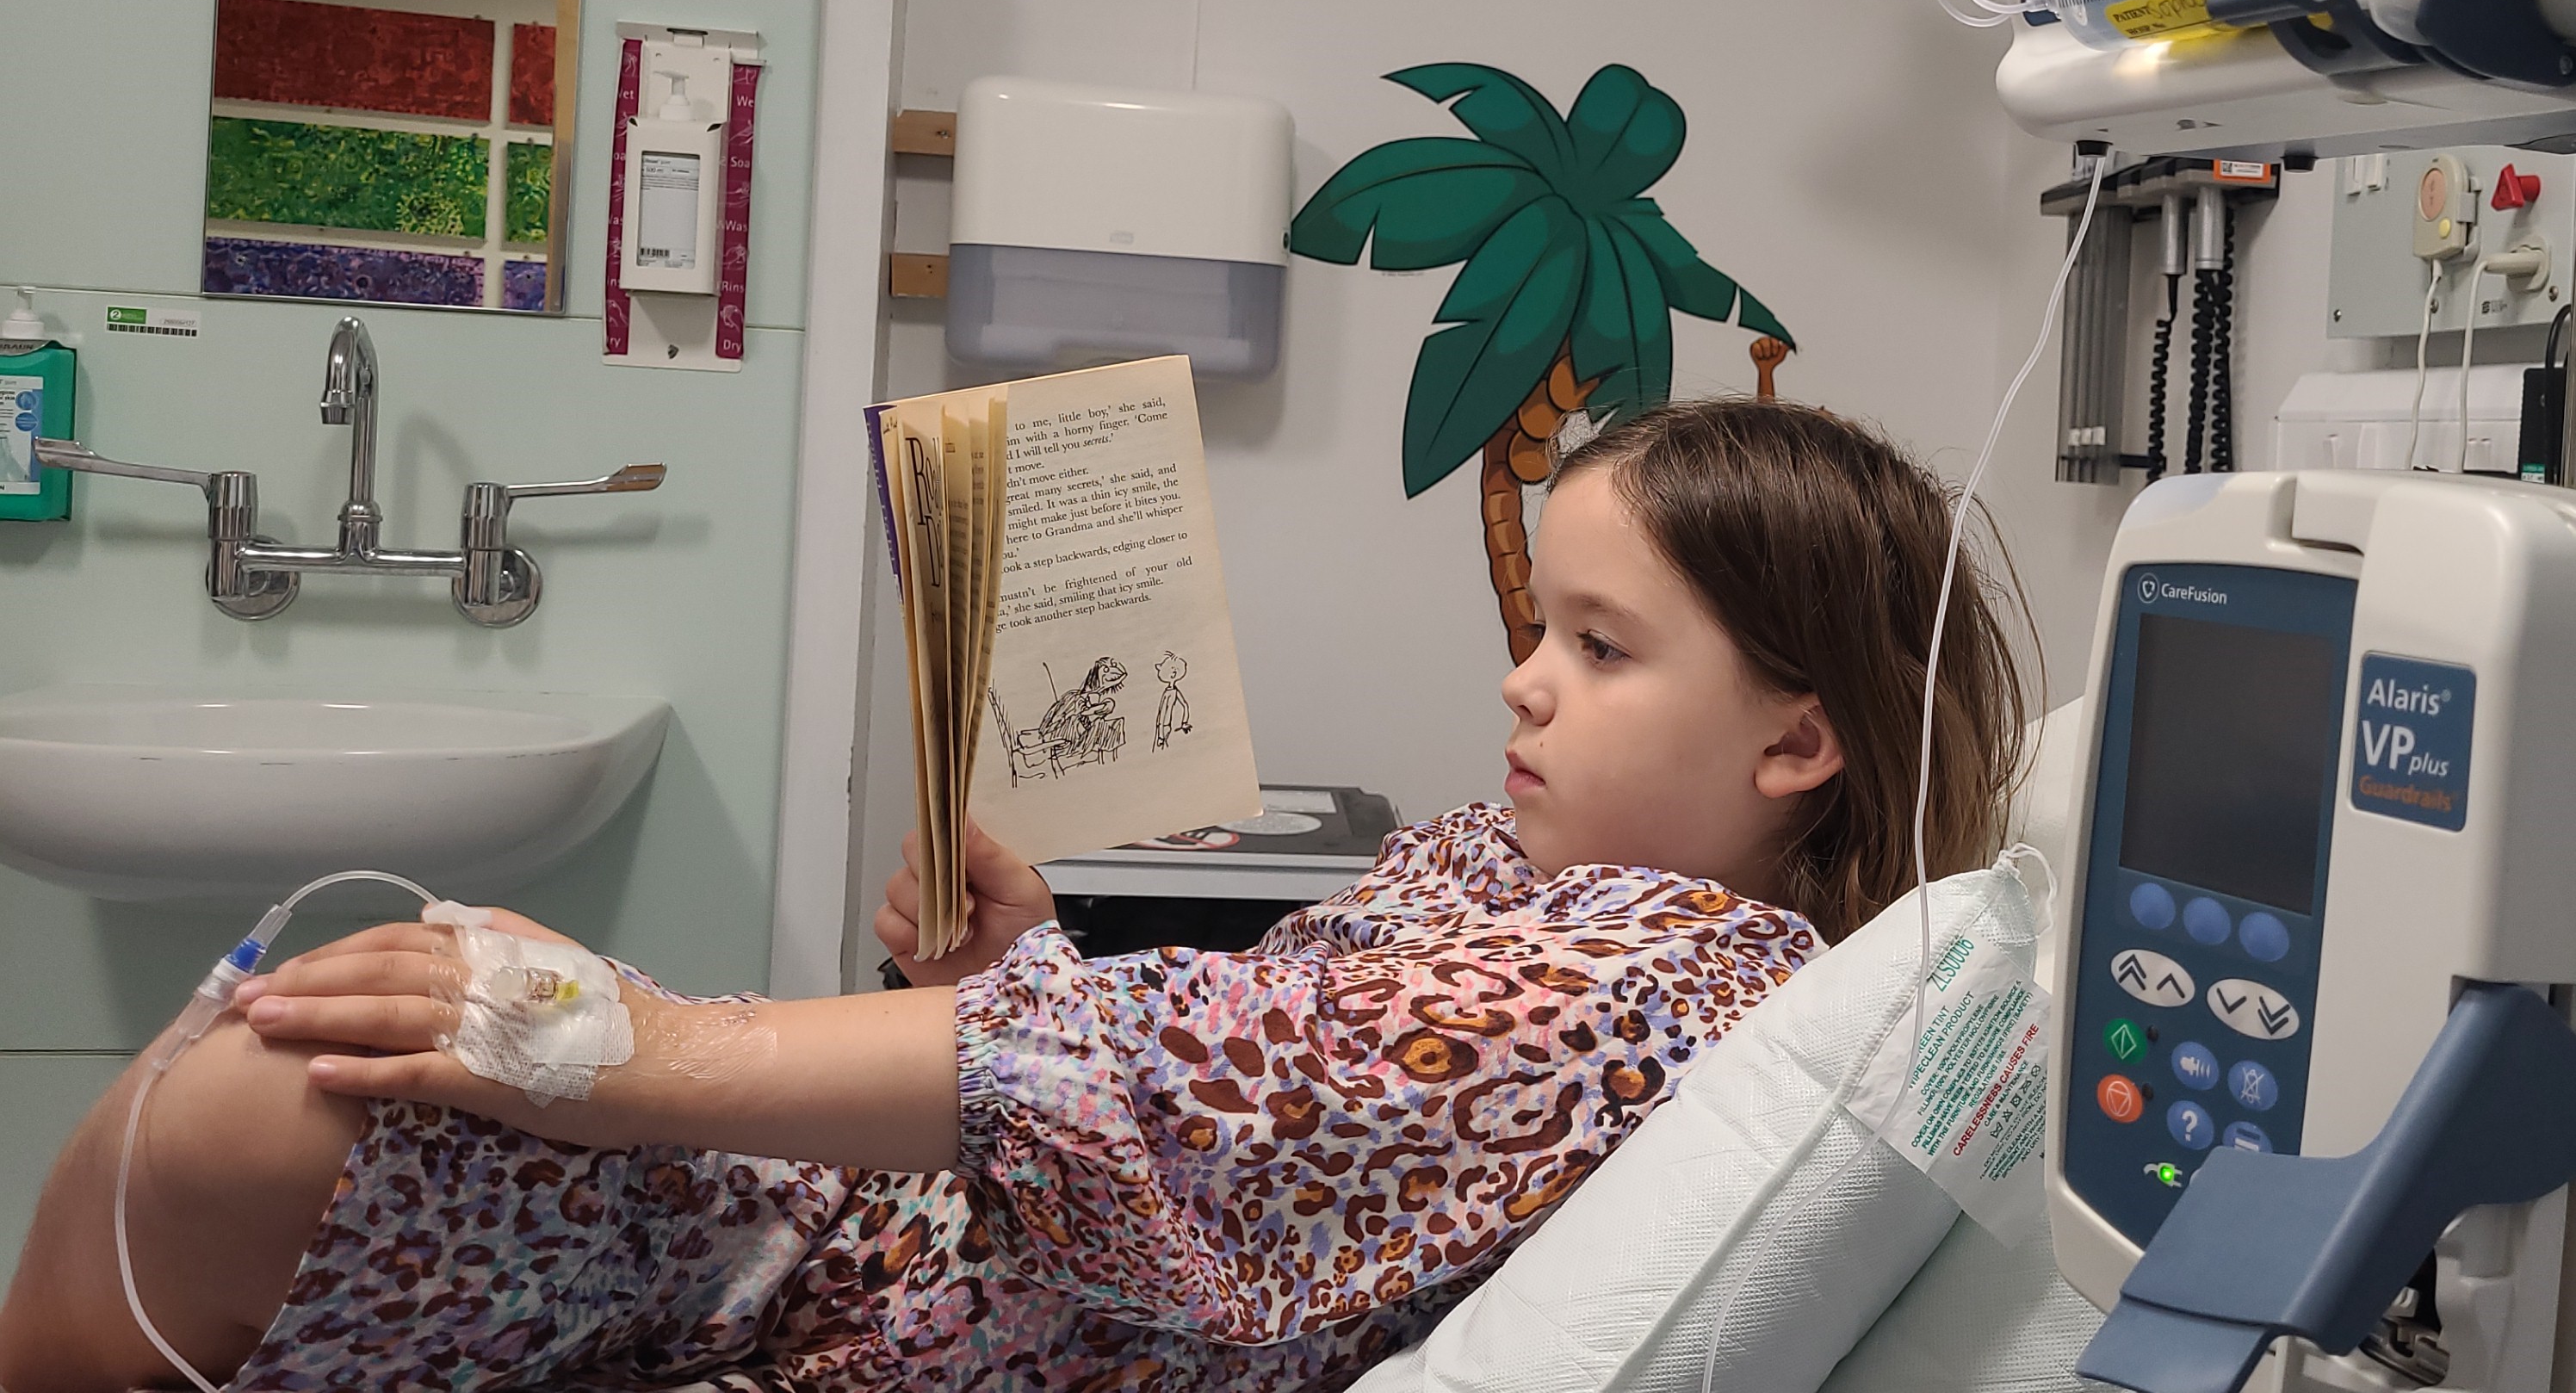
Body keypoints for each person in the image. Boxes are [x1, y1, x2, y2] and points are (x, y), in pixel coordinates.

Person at [0, 399, 2033, 1393]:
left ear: (1799, 744)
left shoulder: (1670, 976)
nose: (1524, 679)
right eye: (1540, 627)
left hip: (965, 1339)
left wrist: (630, 1045)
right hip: (902, 1262)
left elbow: (1206, 1085)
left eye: (1602, 648)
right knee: (253, 1114)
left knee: (252, 1121)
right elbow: (1265, 1081)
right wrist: (1019, 972)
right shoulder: (1525, 866)